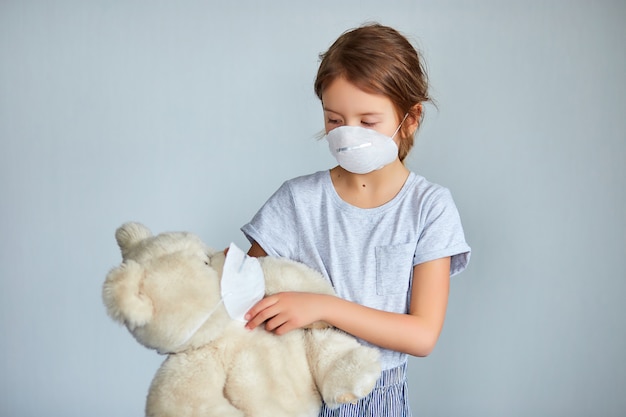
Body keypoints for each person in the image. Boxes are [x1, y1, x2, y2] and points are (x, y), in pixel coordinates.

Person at [240, 23, 471, 416]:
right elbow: (242, 295)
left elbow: (422, 335)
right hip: (295, 392)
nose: (347, 135)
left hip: (379, 398)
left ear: (410, 119)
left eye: (367, 122)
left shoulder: (429, 208)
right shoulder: (297, 201)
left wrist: (322, 307)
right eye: (334, 120)